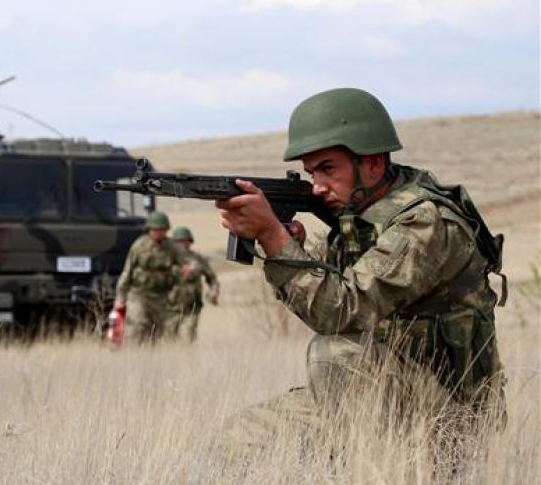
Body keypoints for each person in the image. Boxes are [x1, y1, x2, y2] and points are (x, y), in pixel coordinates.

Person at [216, 87, 507, 442]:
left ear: (373, 163)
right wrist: (292, 249)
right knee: (242, 436)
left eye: (328, 170)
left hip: (454, 419)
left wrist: (273, 237)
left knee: (335, 353)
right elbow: (330, 298)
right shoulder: (358, 222)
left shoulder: (426, 224)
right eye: (311, 174)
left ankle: (375, 475)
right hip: (383, 392)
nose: (317, 187)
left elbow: (340, 311)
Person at [114, 211, 183, 343]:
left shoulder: (172, 247)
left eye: (162, 230)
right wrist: (120, 298)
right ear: (149, 230)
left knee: (158, 332)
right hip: (139, 294)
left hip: (162, 296)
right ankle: (133, 352)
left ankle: (151, 354)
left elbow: (183, 266)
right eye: (156, 230)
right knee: (137, 326)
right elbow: (127, 272)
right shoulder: (139, 246)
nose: (159, 233)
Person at [166, 227, 220, 342]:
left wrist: (214, 290)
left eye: (186, 241)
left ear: (190, 241)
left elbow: (212, 278)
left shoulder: (197, 259)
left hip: (192, 306)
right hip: (170, 306)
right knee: (168, 338)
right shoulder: (167, 258)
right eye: (179, 241)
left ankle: (187, 353)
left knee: (188, 337)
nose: (183, 244)